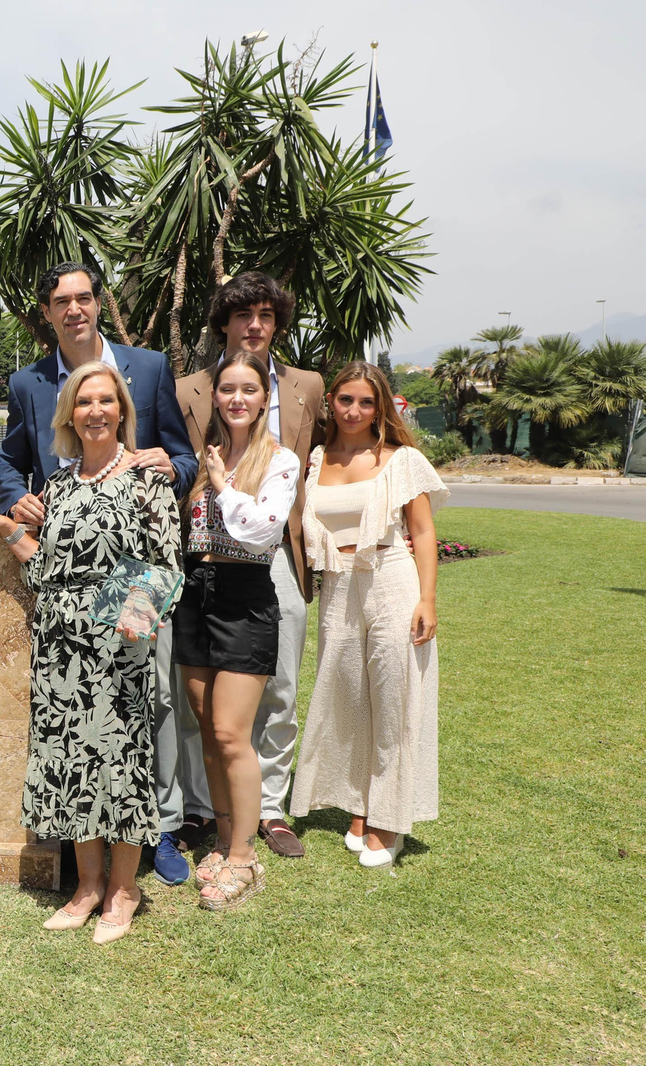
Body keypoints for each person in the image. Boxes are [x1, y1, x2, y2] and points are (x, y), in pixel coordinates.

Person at [0, 361, 182, 944]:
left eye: (107, 401)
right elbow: (48, 571)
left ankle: (124, 891)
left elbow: (164, 562)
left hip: (119, 648)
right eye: (85, 403)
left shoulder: (145, 479)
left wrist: (124, 627)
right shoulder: (57, 486)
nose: (96, 411)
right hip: (60, 652)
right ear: (69, 416)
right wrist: (3, 528)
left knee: (122, 765)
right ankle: (86, 888)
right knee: (74, 767)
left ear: (122, 411)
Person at [0, 261, 198, 887]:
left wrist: (127, 631)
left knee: (136, 737)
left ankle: (150, 848)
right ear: (49, 312)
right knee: (77, 755)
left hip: (125, 629)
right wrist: (11, 512)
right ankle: (86, 883)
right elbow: (9, 463)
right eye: (62, 300)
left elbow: (180, 465)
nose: (75, 309)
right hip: (64, 638)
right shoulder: (30, 390)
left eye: (85, 297)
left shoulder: (151, 368)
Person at [172, 272, 325, 860]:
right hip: (199, 563)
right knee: (202, 704)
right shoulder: (190, 387)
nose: (254, 325)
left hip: (273, 554)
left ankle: (268, 808)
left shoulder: (306, 384)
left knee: (279, 683)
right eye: (243, 316)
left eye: (265, 315)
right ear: (225, 324)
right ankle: (206, 808)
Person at [290, 361, 446, 867]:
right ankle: (358, 804)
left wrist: (427, 599)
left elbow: (422, 532)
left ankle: (389, 818)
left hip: (390, 578)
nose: (354, 410)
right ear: (329, 402)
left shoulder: (401, 460)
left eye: (366, 402)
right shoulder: (316, 459)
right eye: (345, 400)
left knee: (395, 696)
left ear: (381, 407)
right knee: (348, 696)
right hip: (338, 586)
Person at [175, 349, 299, 910]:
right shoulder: (205, 457)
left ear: (264, 396)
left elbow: (262, 531)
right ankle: (224, 840)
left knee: (231, 732)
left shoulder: (282, 461)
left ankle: (245, 859)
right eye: (228, 389)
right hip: (196, 597)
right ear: (216, 397)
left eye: (249, 389)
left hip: (246, 599)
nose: (237, 399)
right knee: (206, 727)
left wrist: (224, 487)